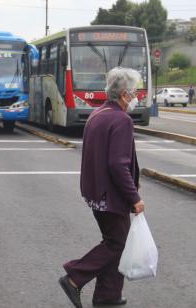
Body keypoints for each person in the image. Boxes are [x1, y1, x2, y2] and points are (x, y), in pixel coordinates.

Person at [58, 67, 145, 308]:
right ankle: (75, 277)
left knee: (116, 242)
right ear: (125, 94)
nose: (137, 97)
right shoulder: (121, 120)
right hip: (111, 196)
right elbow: (118, 164)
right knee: (117, 243)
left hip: (96, 192)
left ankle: (108, 295)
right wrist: (134, 196)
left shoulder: (98, 114)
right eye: (135, 92)